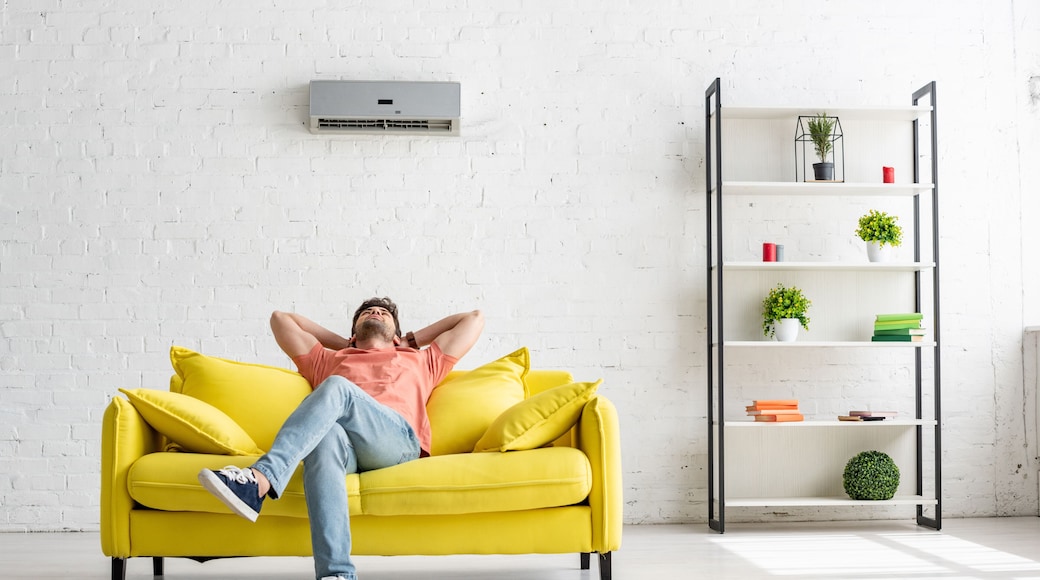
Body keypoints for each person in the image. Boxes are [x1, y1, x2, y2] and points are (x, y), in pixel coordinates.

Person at [198, 297, 484, 580]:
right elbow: (280, 318)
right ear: (353, 331)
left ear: (396, 332)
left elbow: (473, 318)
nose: (375, 313)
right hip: (344, 448)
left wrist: (408, 340)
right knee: (324, 438)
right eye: (367, 313)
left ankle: (261, 479)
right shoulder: (328, 359)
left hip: (396, 443)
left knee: (338, 387)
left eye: (383, 313)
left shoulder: (422, 359)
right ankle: (336, 575)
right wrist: (343, 344)